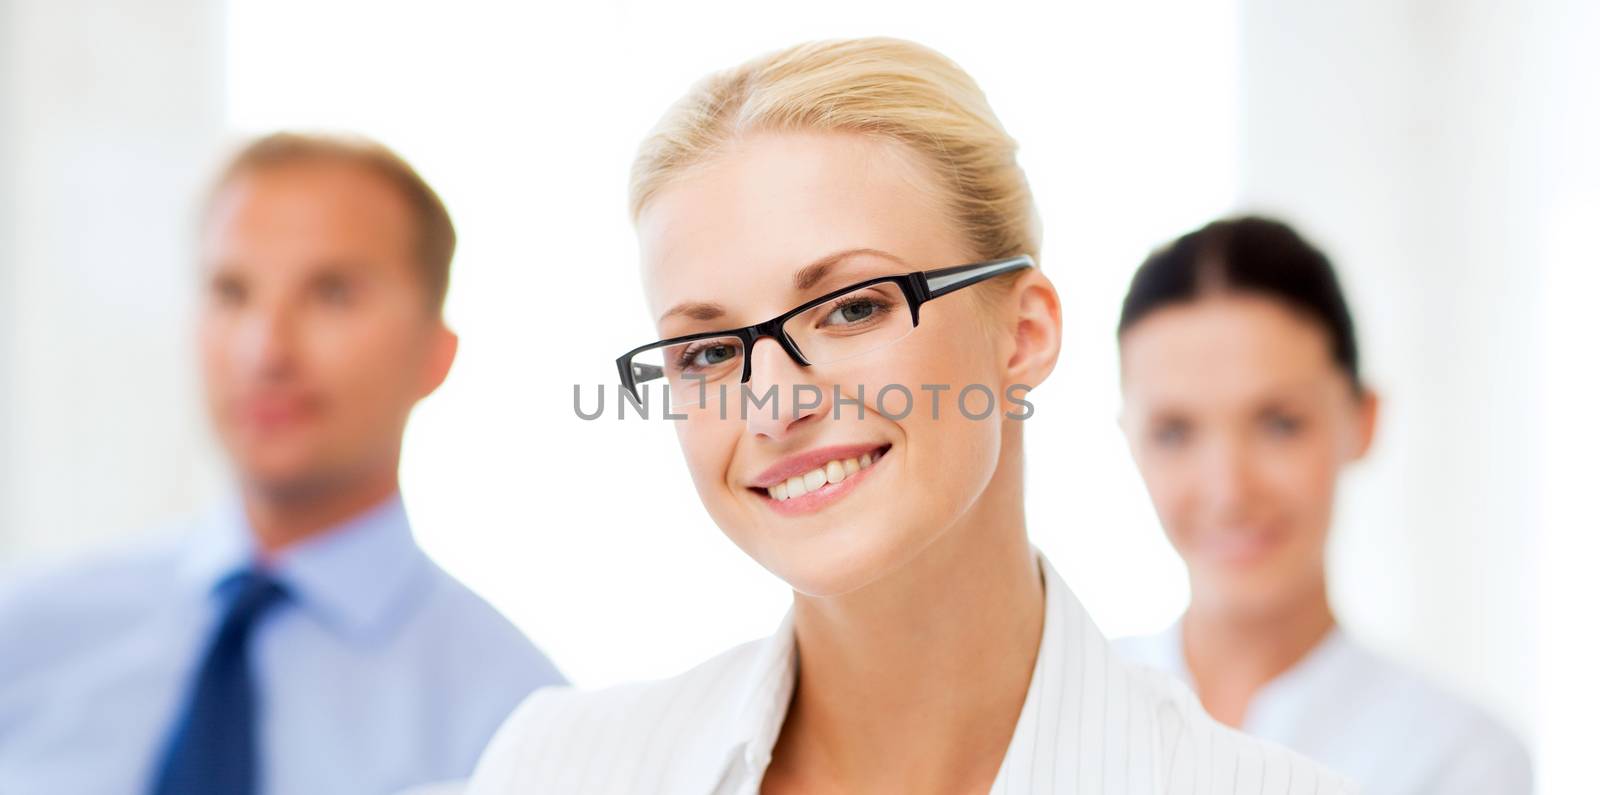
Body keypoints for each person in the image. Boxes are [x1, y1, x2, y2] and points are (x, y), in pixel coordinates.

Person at [465, 39, 1349, 794]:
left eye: (851, 308)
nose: (773, 403)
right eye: (708, 352)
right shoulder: (557, 767)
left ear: (1025, 333)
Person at [0, 132, 565, 795]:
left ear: (435, 354)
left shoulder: (522, 723)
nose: (264, 350)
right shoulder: (26, 634)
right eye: (231, 292)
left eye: (332, 293)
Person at [1112, 216, 1533, 794]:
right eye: (1175, 432)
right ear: (1129, 442)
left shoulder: (1460, 759)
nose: (1229, 490)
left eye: (1279, 424)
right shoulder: (1049, 713)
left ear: (1362, 421)